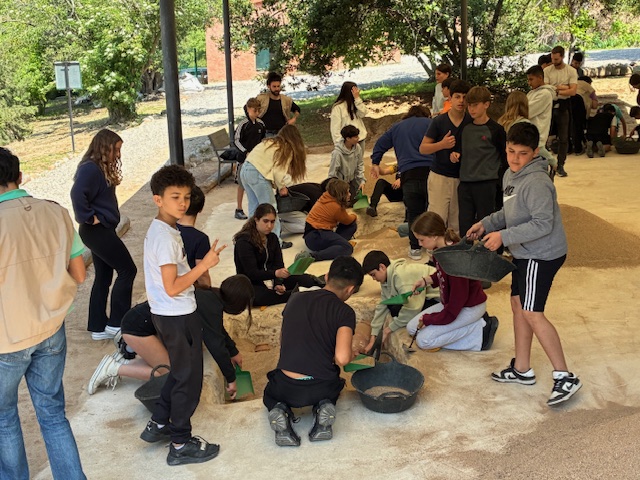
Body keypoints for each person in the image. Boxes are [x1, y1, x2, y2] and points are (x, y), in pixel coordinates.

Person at [467, 122, 581, 407]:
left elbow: (543, 224)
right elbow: (509, 212)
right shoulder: (511, 174)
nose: (515, 158)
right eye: (511, 151)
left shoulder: (538, 182)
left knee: (531, 311)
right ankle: (521, 369)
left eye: (522, 153)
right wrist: (486, 224)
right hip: (524, 252)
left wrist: (503, 237)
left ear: (535, 152)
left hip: (540, 254)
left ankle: (565, 376)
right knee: (518, 304)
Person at [0, 147, 87, 479]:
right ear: (20, 177)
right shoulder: (55, 211)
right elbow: (79, 274)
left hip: (7, 339)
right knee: (52, 414)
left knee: (4, 417)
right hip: (52, 330)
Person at [141, 165, 226, 466]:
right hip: (177, 315)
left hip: (167, 313)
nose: (183, 203)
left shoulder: (164, 228)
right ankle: (180, 443)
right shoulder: (166, 238)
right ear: (158, 199)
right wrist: (204, 265)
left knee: (179, 372)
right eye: (175, 197)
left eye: (187, 197)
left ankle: (159, 422)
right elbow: (173, 286)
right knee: (188, 381)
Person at [88, 276, 254, 402]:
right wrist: (231, 378)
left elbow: (217, 330)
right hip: (138, 329)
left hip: (144, 322)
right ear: (237, 303)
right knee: (171, 376)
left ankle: (128, 356)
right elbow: (215, 344)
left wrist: (233, 351)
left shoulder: (211, 296)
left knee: (176, 365)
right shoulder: (211, 306)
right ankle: (114, 368)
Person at [263, 256, 364, 446]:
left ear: (326, 276)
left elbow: (283, 340)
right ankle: (322, 409)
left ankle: (280, 409)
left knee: (270, 393)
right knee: (334, 386)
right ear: (351, 289)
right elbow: (342, 359)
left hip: (286, 387)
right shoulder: (344, 312)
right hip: (321, 386)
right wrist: (352, 353)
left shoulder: (295, 298)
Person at [70, 129, 137, 340]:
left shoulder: (97, 167)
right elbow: (76, 194)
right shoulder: (90, 168)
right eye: (115, 149)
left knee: (104, 276)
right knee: (127, 270)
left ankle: (98, 326)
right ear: (104, 147)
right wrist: (89, 218)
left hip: (100, 230)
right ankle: (117, 323)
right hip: (95, 231)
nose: (118, 154)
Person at [407, 212, 496, 351]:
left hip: (469, 307)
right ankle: (468, 325)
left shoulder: (455, 260)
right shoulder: (439, 250)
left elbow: (454, 307)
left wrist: (430, 319)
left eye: (421, 240)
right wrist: (426, 281)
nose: (419, 244)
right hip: (453, 304)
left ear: (434, 236)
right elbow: (443, 274)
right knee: (412, 328)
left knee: (424, 341)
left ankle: (479, 332)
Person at [372, 104, 435, 259]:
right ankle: (433, 247)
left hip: (409, 176)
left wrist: (375, 162)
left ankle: (415, 248)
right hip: (431, 174)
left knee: (414, 214)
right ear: (426, 115)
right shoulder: (431, 123)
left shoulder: (397, 127)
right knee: (432, 212)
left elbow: (380, 144)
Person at [233, 203, 323, 307]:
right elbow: (252, 273)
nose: (269, 226)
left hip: (272, 278)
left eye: (272, 222)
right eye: (265, 221)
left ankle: (302, 291)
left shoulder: (272, 238)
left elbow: (278, 264)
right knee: (258, 297)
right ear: (256, 220)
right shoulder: (244, 242)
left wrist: (278, 283)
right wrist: (276, 274)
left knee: (305, 279)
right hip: (253, 282)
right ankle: (296, 295)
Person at [239, 124, 307, 249]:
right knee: (270, 209)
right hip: (258, 173)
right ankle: (275, 242)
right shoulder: (286, 148)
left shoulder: (270, 142)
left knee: (254, 208)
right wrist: (282, 187)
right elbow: (278, 172)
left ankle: (252, 239)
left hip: (245, 170)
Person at [420, 80, 473, 236]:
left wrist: (461, 155)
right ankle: (432, 250)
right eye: (457, 97)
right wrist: (442, 144)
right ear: (450, 98)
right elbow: (423, 148)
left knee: (456, 222)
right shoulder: (439, 121)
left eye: (465, 97)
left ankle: (453, 250)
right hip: (440, 176)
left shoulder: (471, 122)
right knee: (437, 219)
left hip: (461, 178)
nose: (461, 101)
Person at [454, 86, 507, 238]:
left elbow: (505, 158)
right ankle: (466, 251)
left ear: (486, 104)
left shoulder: (496, 130)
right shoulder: (464, 128)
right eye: (469, 105)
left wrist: (500, 183)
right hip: (465, 183)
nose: (471, 109)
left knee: (488, 225)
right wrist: (455, 155)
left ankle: (492, 251)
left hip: (487, 184)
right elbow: (459, 150)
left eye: (475, 105)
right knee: (465, 227)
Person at [362, 250, 438, 353]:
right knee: (393, 308)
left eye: (373, 275)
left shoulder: (401, 276)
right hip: (425, 299)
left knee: (412, 327)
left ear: (382, 267)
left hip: (440, 300)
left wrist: (388, 330)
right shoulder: (386, 277)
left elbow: (413, 308)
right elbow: (383, 305)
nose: (373, 279)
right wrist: (373, 338)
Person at [301, 179, 358, 261]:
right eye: (347, 192)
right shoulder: (335, 206)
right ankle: (312, 257)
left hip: (312, 236)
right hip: (317, 236)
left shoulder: (326, 197)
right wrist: (354, 216)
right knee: (347, 248)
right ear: (341, 193)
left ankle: (337, 244)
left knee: (349, 227)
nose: (350, 194)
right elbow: (348, 220)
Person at [544, 45, 578, 177]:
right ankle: (546, 164)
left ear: (562, 57)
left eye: (556, 59)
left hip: (564, 104)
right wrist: (564, 87)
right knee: (545, 135)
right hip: (549, 103)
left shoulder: (571, 71)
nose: (554, 61)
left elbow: (573, 91)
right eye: (552, 59)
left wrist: (557, 89)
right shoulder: (547, 70)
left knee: (564, 137)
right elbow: (546, 89)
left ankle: (561, 165)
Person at [233, 97, 265, 220]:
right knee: (241, 184)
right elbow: (236, 140)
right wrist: (245, 152)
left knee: (257, 181)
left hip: (256, 159)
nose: (256, 113)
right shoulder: (243, 124)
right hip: (243, 159)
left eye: (258, 111)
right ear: (248, 109)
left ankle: (258, 207)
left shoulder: (261, 124)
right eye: (254, 111)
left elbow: (262, 139)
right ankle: (239, 208)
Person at [176, 185, 211, 287]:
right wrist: (209, 292)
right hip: (189, 287)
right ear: (201, 209)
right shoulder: (201, 239)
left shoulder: (167, 229)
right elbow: (202, 274)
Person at [526, 65, 558, 171]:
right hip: (530, 132)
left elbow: (528, 111)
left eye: (531, 79)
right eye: (528, 80)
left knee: (538, 150)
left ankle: (554, 164)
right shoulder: (531, 93)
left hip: (538, 131)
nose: (529, 83)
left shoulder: (545, 94)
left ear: (540, 78)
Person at [257, 72, 301, 136]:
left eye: (278, 86)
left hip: (281, 132)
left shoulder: (286, 100)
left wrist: (294, 119)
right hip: (265, 133)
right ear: (269, 86)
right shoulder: (261, 99)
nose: (277, 89)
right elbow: (249, 107)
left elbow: (297, 109)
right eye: (274, 86)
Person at [329, 125, 365, 202]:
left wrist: (361, 181)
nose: (358, 138)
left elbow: (360, 165)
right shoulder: (337, 153)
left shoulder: (358, 148)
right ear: (348, 138)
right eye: (355, 137)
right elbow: (332, 174)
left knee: (356, 201)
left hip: (351, 182)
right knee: (344, 203)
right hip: (341, 185)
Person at [330, 81, 368, 152]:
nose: (357, 92)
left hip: (360, 138)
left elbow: (363, 113)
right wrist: (339, 144)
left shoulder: (356, 103)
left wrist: (357, 99)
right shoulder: (338, 108)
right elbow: (335, 128)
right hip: (347, 142)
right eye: (354, 91)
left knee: (359, 159)